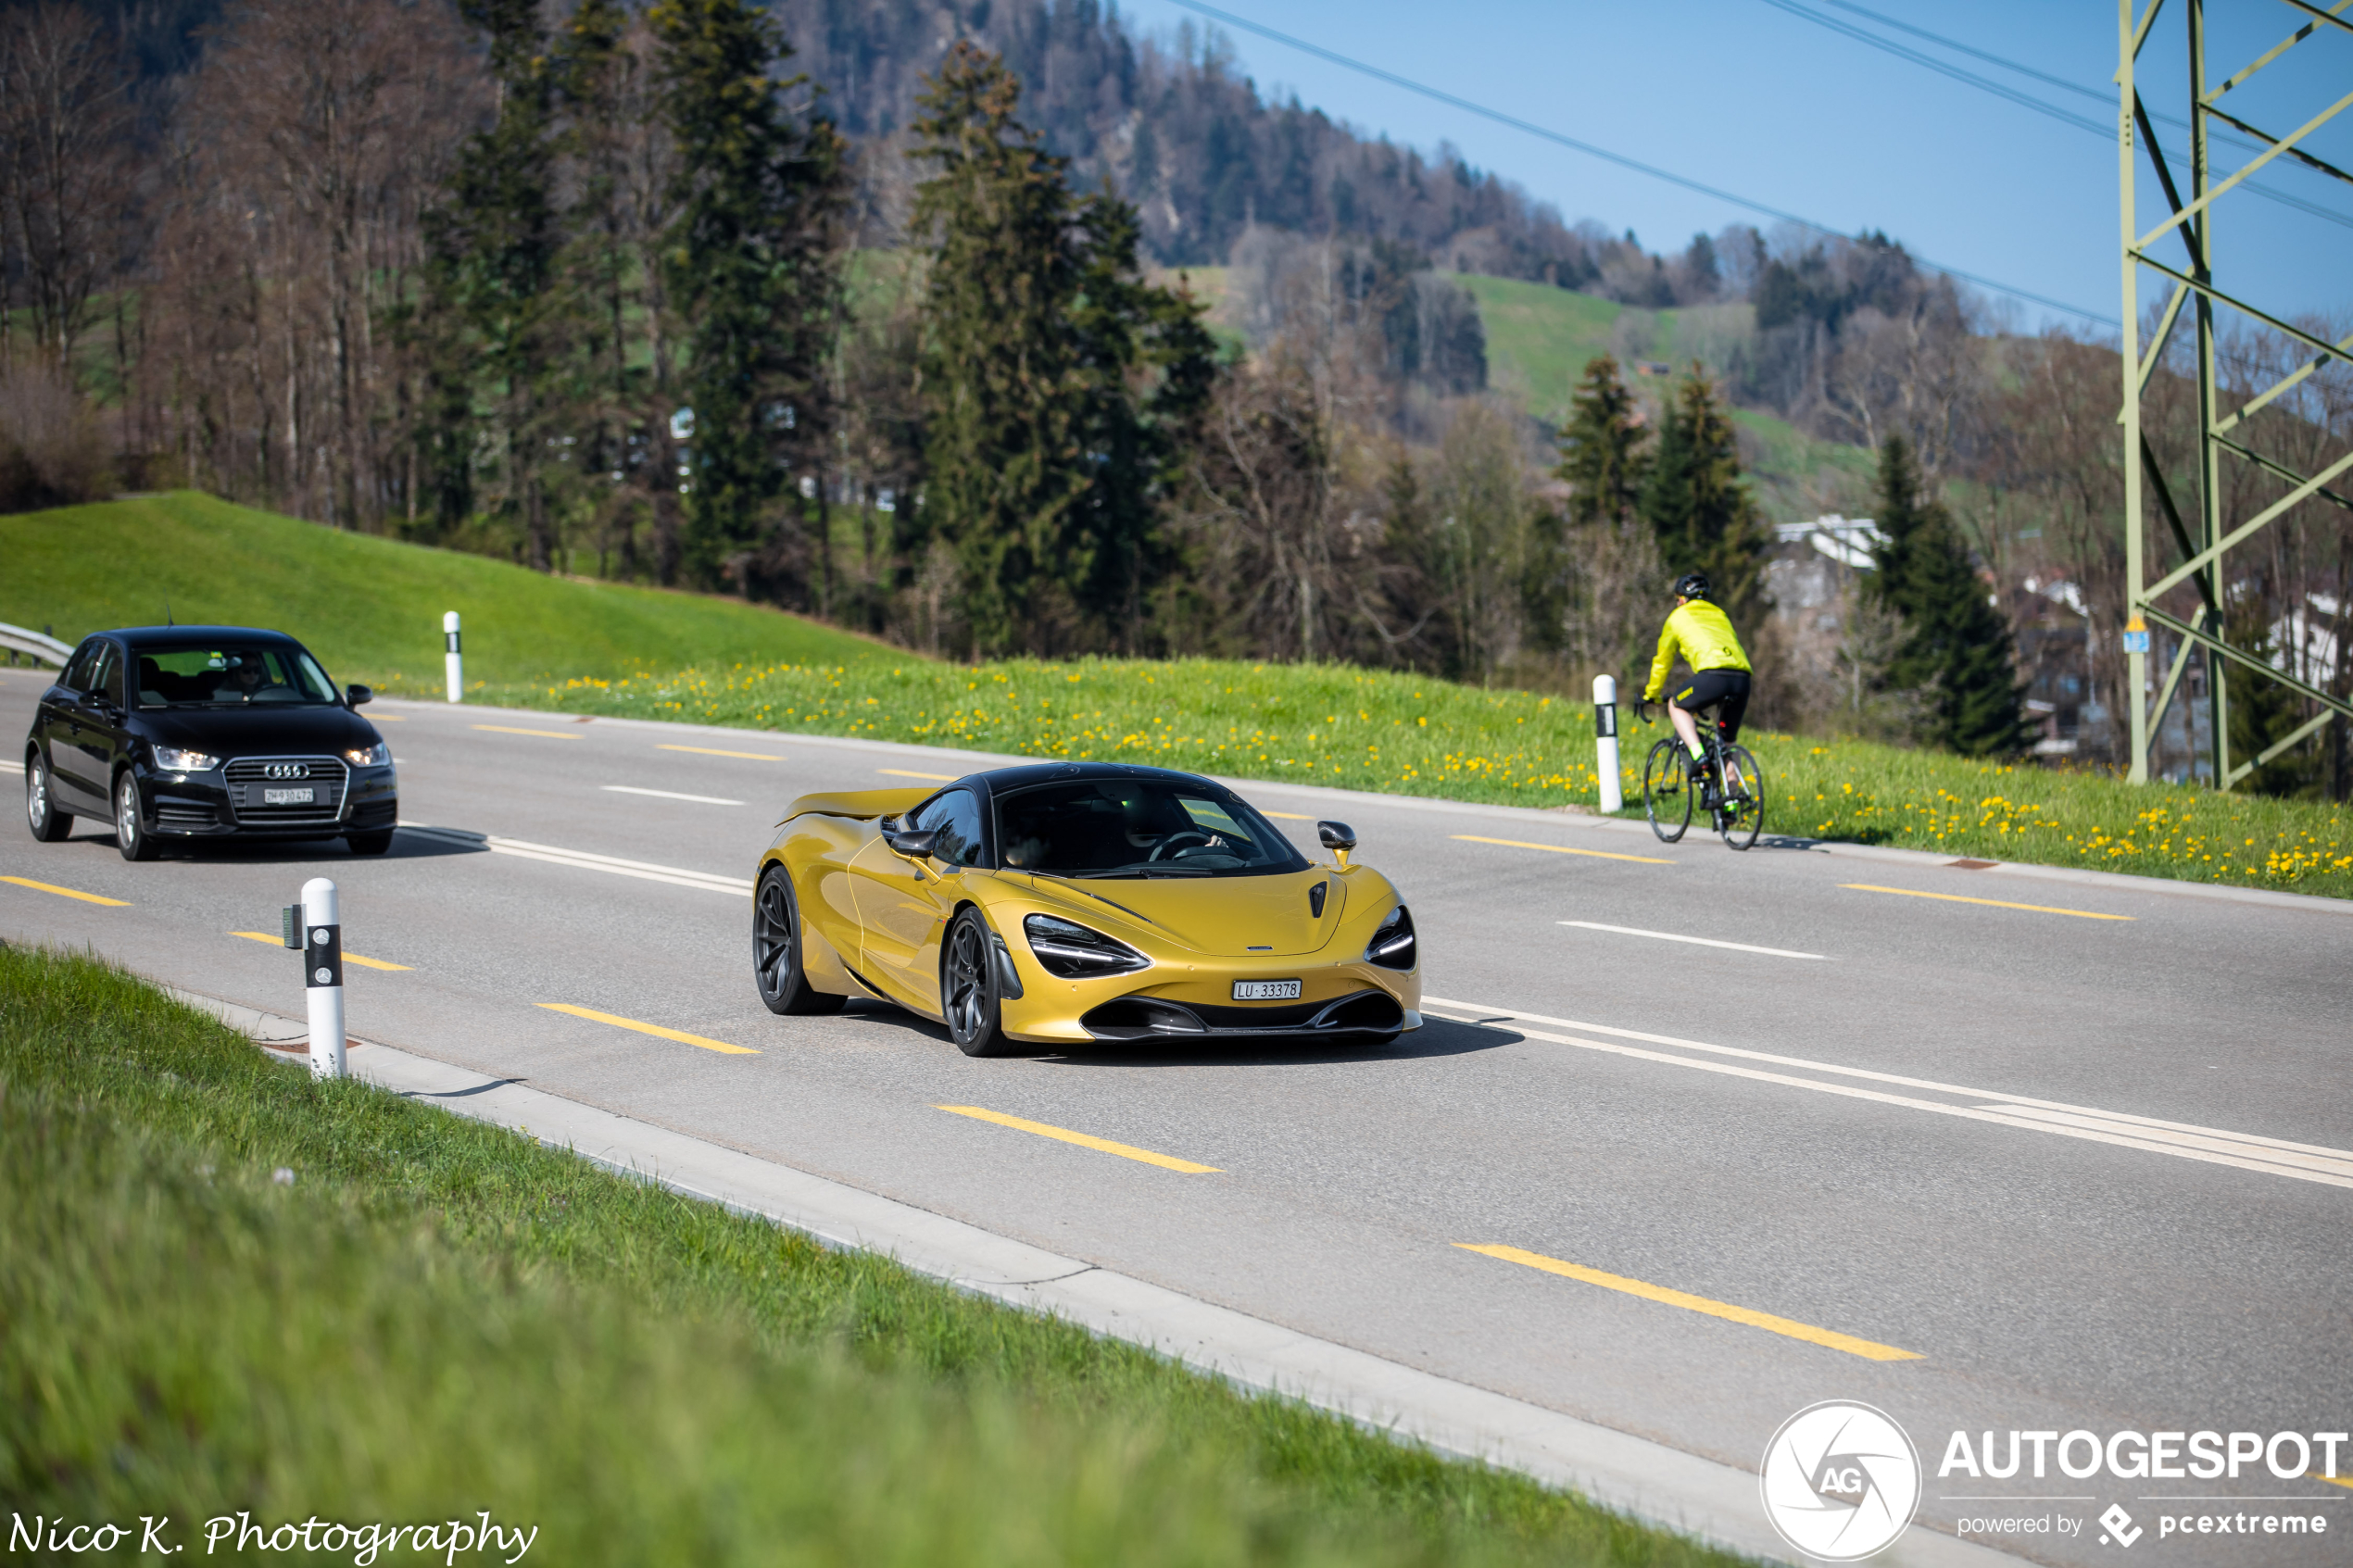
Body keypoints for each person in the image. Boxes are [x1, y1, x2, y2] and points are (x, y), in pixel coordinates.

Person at [1641, 571, 1752, 807]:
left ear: (1681, 599)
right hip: (1742, 678)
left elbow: (1663, 660)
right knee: (1727, 743)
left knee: (1676, 704)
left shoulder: (1678, 616)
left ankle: (1699, 756)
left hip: (1713, 676)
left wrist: (1651, 694)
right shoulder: (1719, 613)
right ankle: (1732, 804)